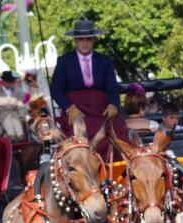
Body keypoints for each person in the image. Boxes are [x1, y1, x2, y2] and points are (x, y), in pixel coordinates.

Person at [50, 18, 127, 157]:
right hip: (77, 111)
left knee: (115, 136)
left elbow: (113, 87)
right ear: (75, 41)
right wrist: (69, 107)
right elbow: (55, 89)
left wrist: (114, 105)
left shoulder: (105, 61)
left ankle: (116, 168)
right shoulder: (64, 61)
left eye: (88, 39)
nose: (85, 43)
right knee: (79, 138)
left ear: (93, 40)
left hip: (102, 110)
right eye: (81, 39)